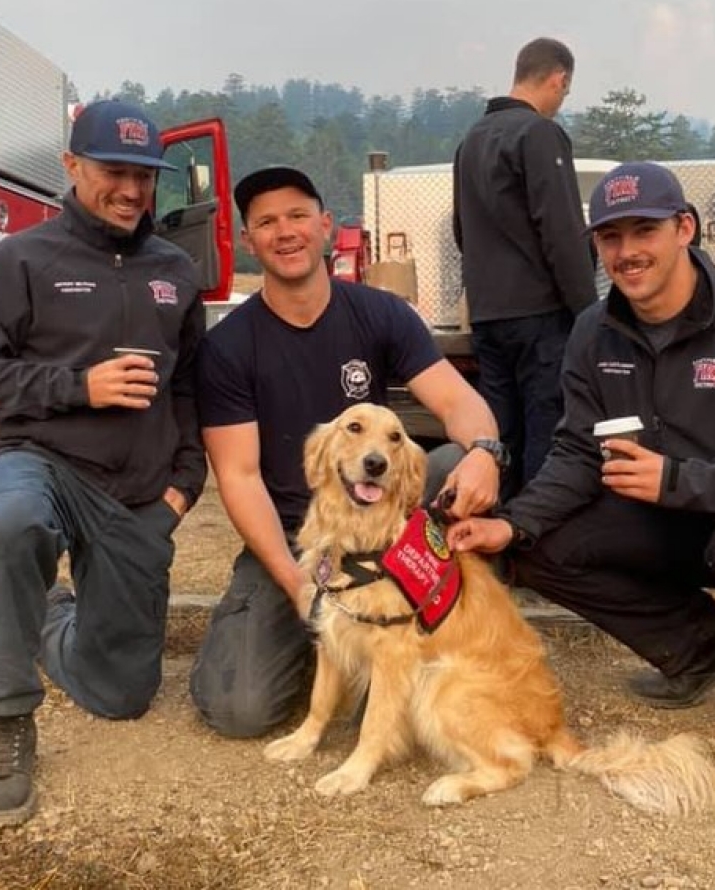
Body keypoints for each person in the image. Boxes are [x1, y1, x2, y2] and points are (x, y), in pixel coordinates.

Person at [448, 161, 715, 784]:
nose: (628, 252)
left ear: (684, 228)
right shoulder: (594, 332)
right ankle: (702, 651)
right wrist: (512, 526)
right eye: (611, 237)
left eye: (645, 231)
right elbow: (580, 451)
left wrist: (680, 480)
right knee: (542, 543)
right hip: (678, 517)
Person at [0, 100, 207, 828]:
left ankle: (53, 619)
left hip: (138, 496)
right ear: (72, 167)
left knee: (121, 694)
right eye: (113, 172)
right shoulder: (21, 260)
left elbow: (189, 389)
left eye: (144, 176)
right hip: (45, 464)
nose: (131, 190)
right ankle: (5, 720)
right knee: (8, 518)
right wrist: (76, 386)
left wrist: (183, 489)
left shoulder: (176, 271)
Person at [190, 165, 503, 739]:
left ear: (326, 226)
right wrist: (298, 583)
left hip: (382, 530)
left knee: (449, 465)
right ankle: (324, 639)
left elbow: (460, 403)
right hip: (297, 538)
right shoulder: (228, 347)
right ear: (248, 240)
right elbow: (238, 477)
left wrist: (485, 450)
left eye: (297, 216)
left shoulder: (381, 315)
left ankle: (430, 632)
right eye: (266, 222)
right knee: (240, 711)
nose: (285, 232)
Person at [453, 36, 597, 497]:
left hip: (489, 317)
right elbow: (563, 233)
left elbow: (461, 230)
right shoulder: (539, 133)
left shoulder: (471, 139)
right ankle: (534, 542)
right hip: (539, 317)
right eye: (565, 92)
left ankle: (494, 535)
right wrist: (588, 314)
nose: (561, 102)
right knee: (546, 430)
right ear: (559, 79)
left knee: (497, 435)